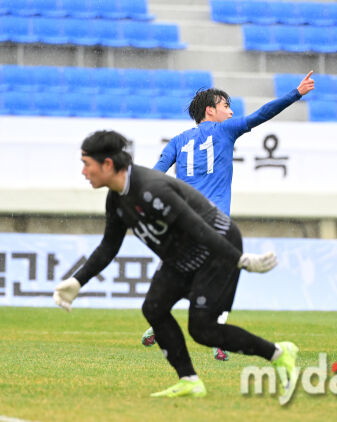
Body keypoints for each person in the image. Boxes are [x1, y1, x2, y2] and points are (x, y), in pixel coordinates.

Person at [53, 130, 299, 398]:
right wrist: (77, 281)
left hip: (216, 243)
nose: (83, 172)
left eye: (86, 164)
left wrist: (239, 259)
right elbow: (108, 247)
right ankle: (189, 381)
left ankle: (279, 353)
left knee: (203, 329)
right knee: (154, 308)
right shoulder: (116, 199)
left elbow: (197, 227)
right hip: (183, 252)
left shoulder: (152, 189)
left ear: (108, 164)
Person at [142, 71, 315, 360]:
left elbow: (155, 175)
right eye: (225, 106)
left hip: (182, 221)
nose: (231, 111)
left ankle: (159, 323)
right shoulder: (225, 130)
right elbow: (263, 114)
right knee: (221, 278)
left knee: (180, 273)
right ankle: (219, 338)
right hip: (215, 222)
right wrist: (296, 93)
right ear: (210, 111)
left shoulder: (177, 142)